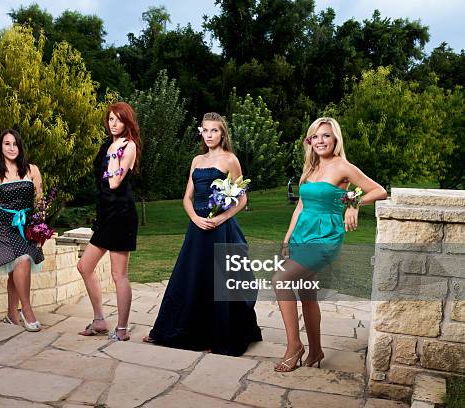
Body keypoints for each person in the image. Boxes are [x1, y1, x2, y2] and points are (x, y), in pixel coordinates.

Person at [142, 112, 262, 356]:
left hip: (221, 230)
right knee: (189, 278)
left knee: (217, 281)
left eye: (214, 130)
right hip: (197, 228)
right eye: (205, 130)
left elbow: (242, 198)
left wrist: (220, 218)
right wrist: (195, 218)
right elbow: (186, 197)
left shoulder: (230, 160)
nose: (209, 135)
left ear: (222, 133)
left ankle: (218, 335)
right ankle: (171, 330)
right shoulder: (196, 160)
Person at [273, 117, 387, 371]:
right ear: (310, 141)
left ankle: (294, 347)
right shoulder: (310, 169)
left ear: (335, 140)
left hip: (325, 238)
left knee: (280, 280)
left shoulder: (343, 166)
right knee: (307, 294)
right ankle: (315, 352)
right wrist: (287, 238)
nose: (321, 141)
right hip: (302, 234)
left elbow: (379, 190)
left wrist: (353, 203)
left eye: (326, 135)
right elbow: (301, 206)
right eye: (316, 136)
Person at [77, 102, 141, 341]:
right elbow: (102, 179)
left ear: (127, 122)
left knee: (118, 275)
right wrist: (112, 149)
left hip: (121, 215)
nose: (113, 124)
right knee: (84, 266)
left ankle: (122, 328)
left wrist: (115, 152)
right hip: (105, 215)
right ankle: (99, 320)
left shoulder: (128, 146)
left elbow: (114, 182)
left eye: (118, 119)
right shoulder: (108, 144)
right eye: (110, 119)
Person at [0, 128, 45, 332]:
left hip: (26, 227)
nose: (11, 148)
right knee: (23, 260)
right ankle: (27, 311)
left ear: (20, 146)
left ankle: (11, 314)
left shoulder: (32, 170)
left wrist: (41, 229)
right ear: (1, 147)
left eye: (15, 144)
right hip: (2, 227)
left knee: (17, 269)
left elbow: (40, 203)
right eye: (7, 144)